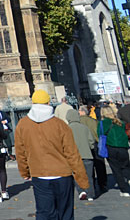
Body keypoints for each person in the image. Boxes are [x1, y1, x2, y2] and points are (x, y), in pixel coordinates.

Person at [16, 89, 88, 219]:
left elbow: (20, 152)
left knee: (44, 212)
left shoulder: (22, 124)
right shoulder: (59, 124)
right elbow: (72, 153)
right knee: (65, 212)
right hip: (62, 174)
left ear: (33, 103)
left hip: (40, 175)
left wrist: (24, 172)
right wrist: (81, 179)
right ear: (48, 103)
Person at [66, 108, 97, 201]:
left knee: (77, 175)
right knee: (89, 175)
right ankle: (90, 194)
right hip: (87, 155)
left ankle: (81, 191)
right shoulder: (84, 128)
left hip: (73, 156)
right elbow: (91, 141)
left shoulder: (66, 129)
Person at [99, 105, 130, 197]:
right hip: (123, 147)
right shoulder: (120, 122)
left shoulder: (102, 123)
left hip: (110, 148)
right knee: (126, 166)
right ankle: (128, 178)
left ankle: (124, 190)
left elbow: (100, 135)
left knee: (116, 169)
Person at [79, 105, 108, 195]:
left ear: (82, 112)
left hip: (84, 146)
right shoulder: (93, 121)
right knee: (99, 164)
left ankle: (91, 185)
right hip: (95, 144)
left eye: (79, 110)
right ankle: (102, 183)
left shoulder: (79, 122)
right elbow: (97, 132)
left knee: (88, 167)